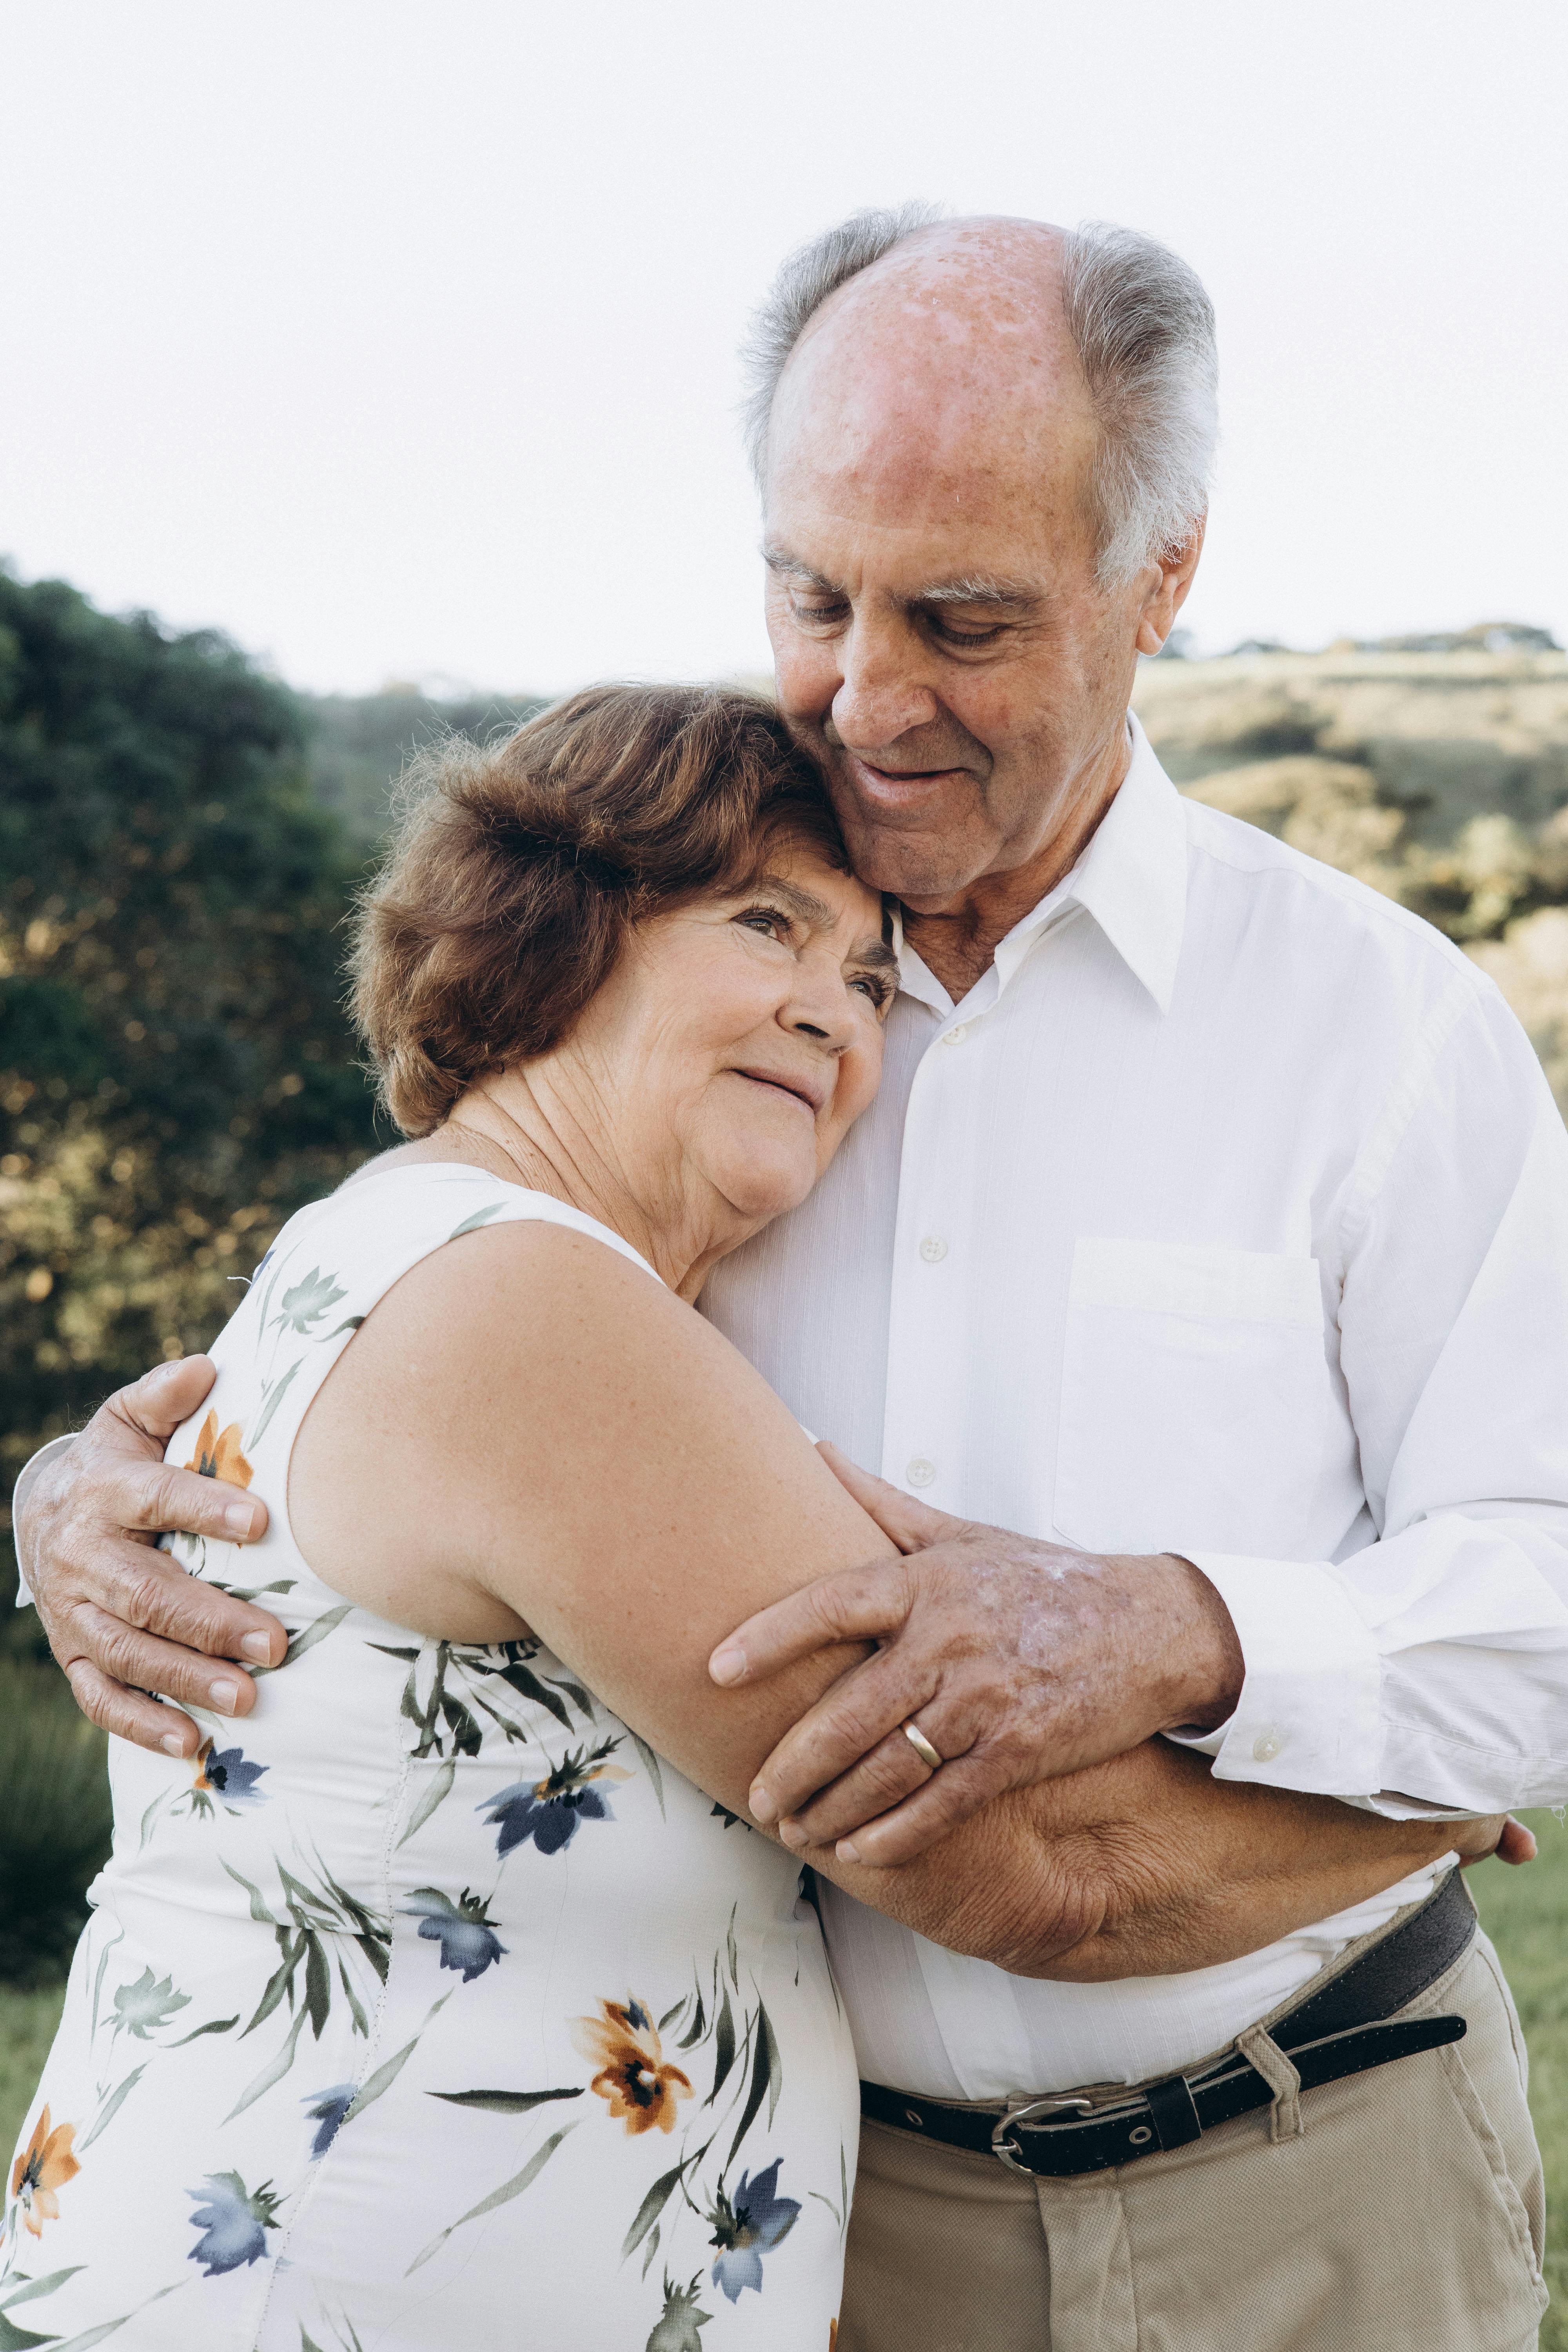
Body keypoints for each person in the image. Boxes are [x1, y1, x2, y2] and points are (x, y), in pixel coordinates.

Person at [12, 210, 1566, 2347]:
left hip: (1327, 2172)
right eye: (811, 595)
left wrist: (1197, 1629)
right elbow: (375, 1369)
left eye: (964, 617)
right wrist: (71, 1493)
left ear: (1164, 580)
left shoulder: (1381, 1034)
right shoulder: (676, 1036)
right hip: (843, 2230)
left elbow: (1547, 1574)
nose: (868, 691)